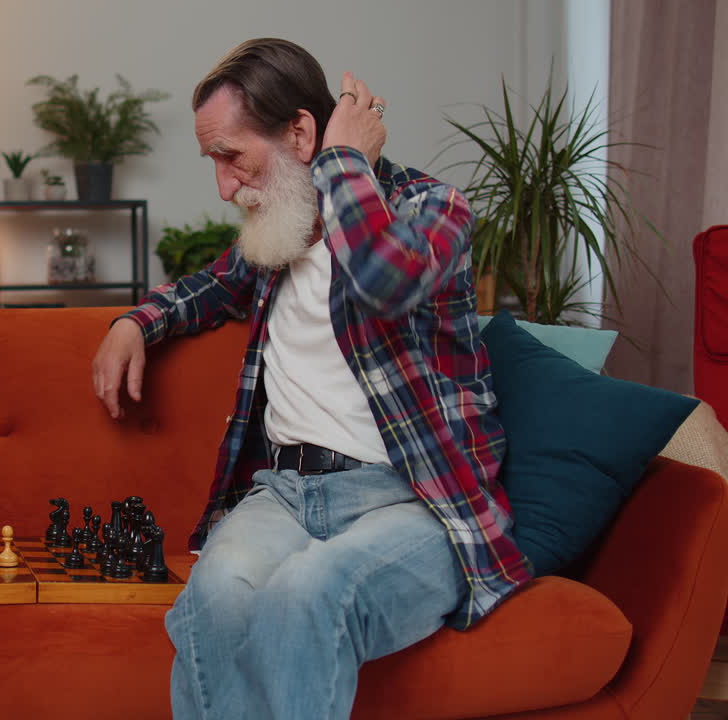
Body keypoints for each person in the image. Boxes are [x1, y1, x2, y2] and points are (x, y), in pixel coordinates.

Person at [90, 38, 533, 719]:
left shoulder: (435, 209)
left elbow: (385, 281)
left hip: (413, 502)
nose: (224, 187)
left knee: (309, 592)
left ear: (301, 134)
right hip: (286, 496)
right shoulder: (283, 232)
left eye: (232, 157)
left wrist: (344, 159)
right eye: (214, 162)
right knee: (213, 594)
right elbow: (208, 288)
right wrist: (134, 323)